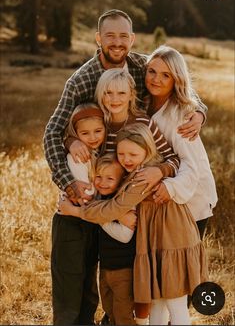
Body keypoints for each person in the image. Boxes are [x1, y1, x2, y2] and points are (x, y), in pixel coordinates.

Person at [44, 9, 207, 207]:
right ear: (98, 38)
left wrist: (199, 111)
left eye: (123, 36)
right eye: (109, 36)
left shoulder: (142, 65)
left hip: (137, 172)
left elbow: (174, 81)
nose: (117, 43)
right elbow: (53, 131)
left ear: (131, 39)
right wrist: (68, 181)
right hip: (100, 173)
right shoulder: (80, 81)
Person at [59, 123, 208, 325]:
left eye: (132, 154)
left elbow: (114, 208)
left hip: (172, 240)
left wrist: (76, 211)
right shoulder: (138, 171)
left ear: (147, 151)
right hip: (155, 240)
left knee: (175, 303)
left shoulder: (143, 177)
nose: (126, 159)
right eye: (121, 154)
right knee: (157, 302)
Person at [138, 45, 217, 324]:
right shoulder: (143, 104)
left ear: (177, 80)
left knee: (179, 281)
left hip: (191, 201)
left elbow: (191, 167)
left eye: (165, 75)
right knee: (164, 279)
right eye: (152, 71)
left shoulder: (182, 113)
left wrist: (169, 187)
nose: (156, 79)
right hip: (165, 205)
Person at [67, 68, 180, 189]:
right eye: (108, 93)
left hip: (134, 192)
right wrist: (70, 141)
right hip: (103, 188)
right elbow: (74, 132)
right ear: (101, 94)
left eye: (122, 93)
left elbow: (173, 159)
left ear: (131, 95)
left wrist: (160, 170)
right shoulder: (99, 123)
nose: (115, 99)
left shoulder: (144, 124)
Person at [51, 103, 105, 325]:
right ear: (75, 133)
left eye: (98, 131)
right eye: (84, 133)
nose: (92, 137)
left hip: (90, 224)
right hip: (71, 223)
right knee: (69, 286)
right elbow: (84, 199)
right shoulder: (77, 157)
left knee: (88, 284)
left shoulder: (97, 153)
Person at [93, 153, 137, 325]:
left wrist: (100, 219)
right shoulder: (100, 197)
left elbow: (125, 237)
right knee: (109, 309)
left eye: (109, 178)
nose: (102, 182)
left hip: (124, 270)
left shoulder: (124, 202)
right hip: (105, 267)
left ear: (121, 180)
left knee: (123, 314)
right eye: (98, 177)